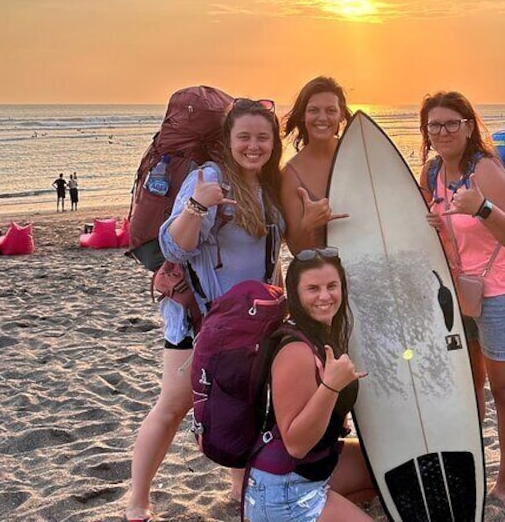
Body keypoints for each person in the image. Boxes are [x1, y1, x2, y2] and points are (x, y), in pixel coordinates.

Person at [125, 98, 285, 522]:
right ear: (228, 140)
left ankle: (238, 486)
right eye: (245, 137)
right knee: (175, 403)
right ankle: (138, 500)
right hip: (200, 320)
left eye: (262, 138)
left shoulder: (265, 187)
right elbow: (174, 245)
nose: (254, 146)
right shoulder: (208, 177)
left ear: (274, 143)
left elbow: (270, 256)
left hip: (249, 320)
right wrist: (198, 204)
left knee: (246, 398)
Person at [418, 91, 505, 506]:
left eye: (451, 123)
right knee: (467, 385)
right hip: (454, 291)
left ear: (468, 126)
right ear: (426, 132)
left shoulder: (485, 169)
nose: (443, 131)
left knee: (504, 389)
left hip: (500, 291)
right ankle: (469, 462)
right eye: (434, 125)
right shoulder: (431, 172)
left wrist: (481, 207)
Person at [244, 248, 375, 521]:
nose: (325, 296)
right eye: (313, 288)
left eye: (332, 286)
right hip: (284, 491)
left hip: (312, 471)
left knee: (385, 468)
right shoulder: (296, 350)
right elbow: (296, 444)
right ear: (296, 294)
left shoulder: (322, 335)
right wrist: (330, 387)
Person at [280, 76, 351, 254]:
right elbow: (297, 251)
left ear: (341, 115)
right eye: (313, 110)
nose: (322, 118)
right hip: (325, 277)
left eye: (330, 110)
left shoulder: (360, 155)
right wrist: (308, 225)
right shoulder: (291, 175)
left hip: (370, 269)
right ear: (303, 116)